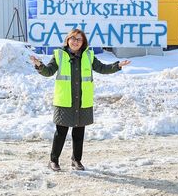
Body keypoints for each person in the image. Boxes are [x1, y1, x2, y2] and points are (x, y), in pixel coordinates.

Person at [30, 28, 130, 171]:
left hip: (83, 100)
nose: (75, 42)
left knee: (79, 132)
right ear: (67, 40)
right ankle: (53, 160)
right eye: (73, 38)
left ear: (83, 42)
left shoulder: (88, 55)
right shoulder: (59, 55)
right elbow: (48, 72)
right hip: (64, 100)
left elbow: (102, 68)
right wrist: (39, 65)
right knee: (61, 132)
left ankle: (76, 160)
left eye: (79, 39)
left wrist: (117, 65)